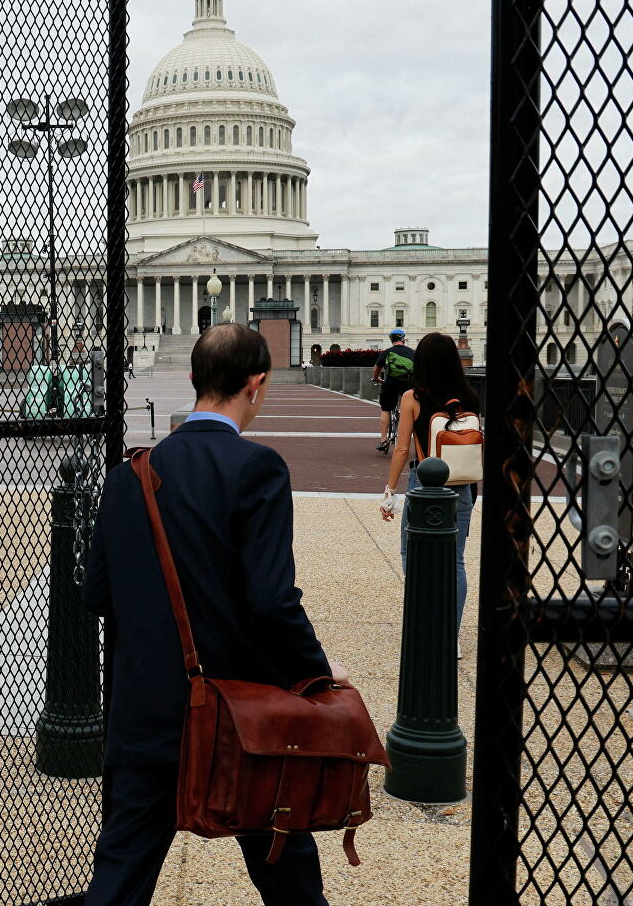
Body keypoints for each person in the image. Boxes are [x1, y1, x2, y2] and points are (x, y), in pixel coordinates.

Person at [81, 323, 343, 906]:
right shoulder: (258, 469)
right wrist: (316, 679)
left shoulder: (129, 477)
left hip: (144, 715)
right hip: (240, 718)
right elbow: (273, 601)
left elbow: (97, 593)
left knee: (118, 884)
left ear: (195, 379)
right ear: (257, 384)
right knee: (289, 877)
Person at [380, 331, 479, 652]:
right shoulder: (470, 397)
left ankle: (425, 623)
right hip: (462, 484)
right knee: (457, 561)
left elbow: (401, 448)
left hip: (425, 483)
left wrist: (390, 489)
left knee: (412, 553)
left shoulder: (413, 397)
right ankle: (450, 636)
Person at [372, 329, 414, 451]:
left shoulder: (387, 352)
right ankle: (401, 438)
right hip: (406, 385)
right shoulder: (412, 352)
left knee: (385, 409)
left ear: (392, 340)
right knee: (404, 410)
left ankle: (384, 440)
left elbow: (376, 369)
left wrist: (377, 379)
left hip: (390, 384)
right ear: (403, 339)